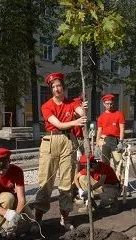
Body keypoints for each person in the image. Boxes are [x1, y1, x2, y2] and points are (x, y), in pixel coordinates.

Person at [33, 72, 87, 230]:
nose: (57, 89)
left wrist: (83, 109)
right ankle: (38, 220)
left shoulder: (71, 103)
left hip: (68, 141)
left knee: (66, 182)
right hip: (51, 141)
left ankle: (65, 218)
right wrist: (76, 121)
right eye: (54, 87)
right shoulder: (47, 106)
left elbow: (82, 113)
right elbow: (57, 124)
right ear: (51, 89)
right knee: (45, 182)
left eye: (59, 86)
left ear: (63, 88)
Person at [96, 94, 126, 167]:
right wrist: (97, 145)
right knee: (105, 164)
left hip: (116, 141)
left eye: (111, 103)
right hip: (104, 141)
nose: (109, 105)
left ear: (113, 103)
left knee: (118, 163)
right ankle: (107, 178)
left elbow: (122, 129)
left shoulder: (119, 114)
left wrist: (121, 142)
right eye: (107, 104)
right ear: (103, 104)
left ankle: (119, 178)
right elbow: (99, 131)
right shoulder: (101, 117)